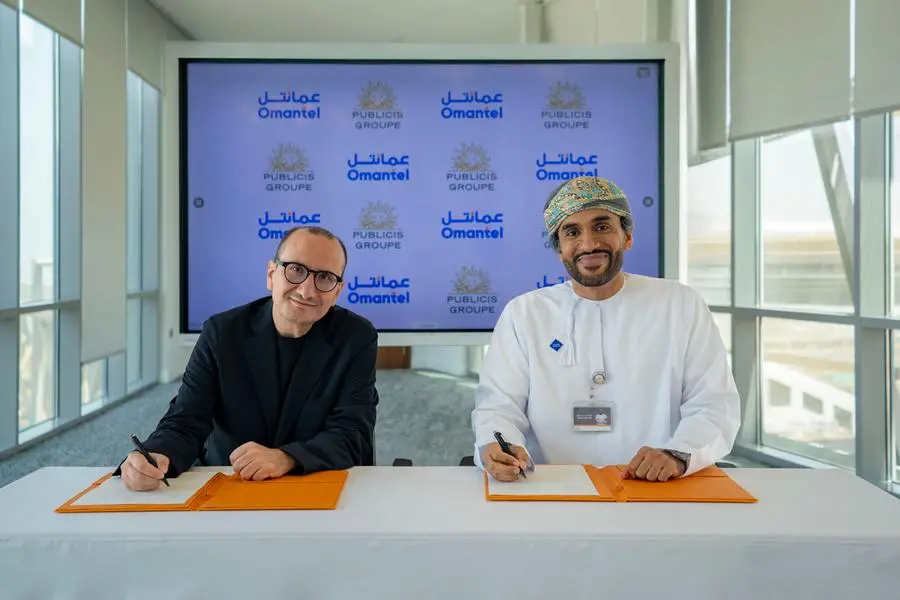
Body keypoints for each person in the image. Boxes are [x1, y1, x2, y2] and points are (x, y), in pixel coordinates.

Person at [471, 176, 740, 482]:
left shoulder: (680, 305)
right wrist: (497, 445)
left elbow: (714, 404)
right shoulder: (524, 313)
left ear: (627, 237)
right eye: (572, 232)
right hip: (551, 489)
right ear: (559, 249)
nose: (588, 244)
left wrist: (679, 454)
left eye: (601, 227)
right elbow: (498, 405)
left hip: (658, 490)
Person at [116, 226, 379, 491]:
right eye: (296, 270)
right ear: (271, 274)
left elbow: (353, 433)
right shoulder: (222, 333)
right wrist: (154, 454)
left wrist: (287, 458)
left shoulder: (356, 337)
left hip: (314, 482)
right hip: (230, 482)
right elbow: (186, 420)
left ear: (337, 291)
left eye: (325, 277)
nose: (307, 291)